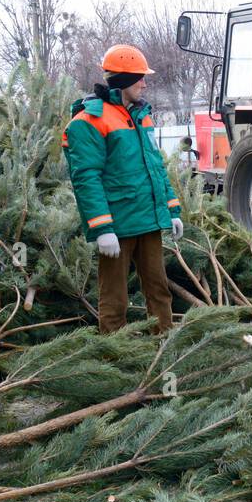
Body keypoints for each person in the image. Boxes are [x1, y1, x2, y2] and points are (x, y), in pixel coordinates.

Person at [62, 44, 183, 334]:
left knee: (159, 291)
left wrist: (172, 209)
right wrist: (102, 228)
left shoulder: (142, 117)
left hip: (149, 220)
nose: (144, 83)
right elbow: (86, 178)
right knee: (115, 299)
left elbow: (156, 167)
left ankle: (163, 347)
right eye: (140, 77)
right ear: (124, 79)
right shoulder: (89, 120)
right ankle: (114, 358)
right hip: (116, 226)